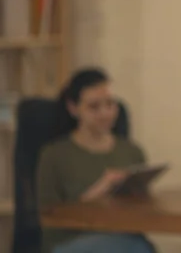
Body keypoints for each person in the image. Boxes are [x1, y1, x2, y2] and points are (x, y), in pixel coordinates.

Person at [38, 69, 155, 253]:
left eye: (110, 104)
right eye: (94, 107)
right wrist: (100, 189)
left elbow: (142, 212)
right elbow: (49, 216)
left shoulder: (132, 151)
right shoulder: (53, 156)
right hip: (70, 241)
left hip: (123, 236)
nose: (105, 114)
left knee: (138, 245)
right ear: (73, 108)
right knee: (139, 248)